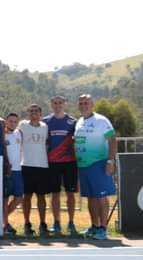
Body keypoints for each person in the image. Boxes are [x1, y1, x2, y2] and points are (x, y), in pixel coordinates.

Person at [75, 94, 117, 240]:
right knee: (91, 198)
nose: (83, 106)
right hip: (83, 166)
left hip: (99, 163)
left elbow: (113, 140)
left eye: (86, 103)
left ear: (92, 104)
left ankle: (103, 229)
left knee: (101, 197)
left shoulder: (101, 120)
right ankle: (94, 226)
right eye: (81, 103)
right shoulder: (79, 122)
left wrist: (110, 162)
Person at [42, 95, 79, 235]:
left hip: (70, 162)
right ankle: (56, 222)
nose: (58, 105)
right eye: (55, 103)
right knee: (55, 194)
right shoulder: (45, 121)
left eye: (60, 103)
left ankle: (71, 223)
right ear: (51, 104)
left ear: (65, 104)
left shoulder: (73, 122)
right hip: (52, 162)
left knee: (70, 194)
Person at [19, 104, 50, 237]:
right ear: (28, 113)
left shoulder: (45, 126)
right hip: (26, 165)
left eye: (36, 111)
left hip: (42, 165)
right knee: (27, 197)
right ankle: (27, 224)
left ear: (40, 114)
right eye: (31, 111)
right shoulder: (23, 125)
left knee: (41, 197)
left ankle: (43, 224)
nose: (33, 113)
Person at [3, 112, 24, 236]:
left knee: (18, 198)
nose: (13, 123)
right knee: (5, 199)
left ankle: (2, 220)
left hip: (18, 170)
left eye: (15, 121)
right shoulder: (2, 134)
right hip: (6, 170)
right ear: (6, 121)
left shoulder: (19, 133)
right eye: (10, 121)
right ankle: (5, 224)